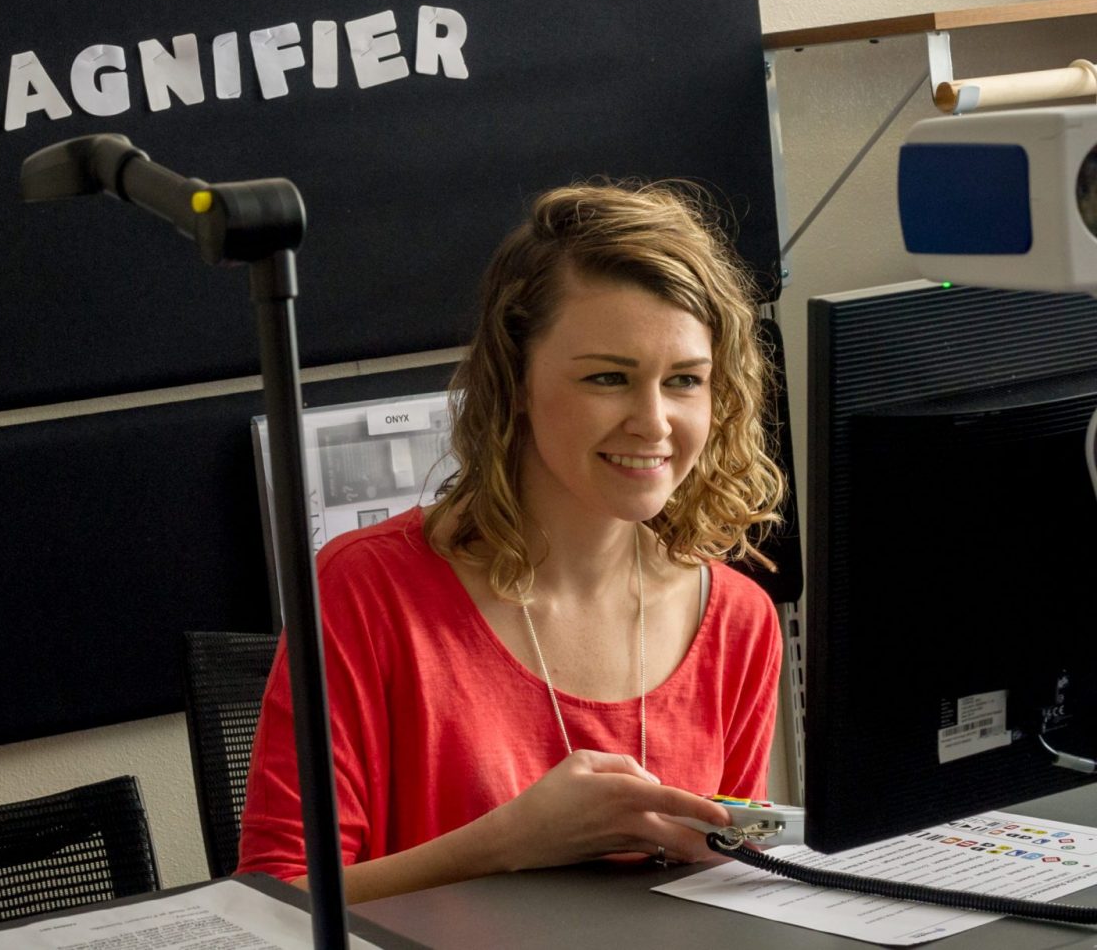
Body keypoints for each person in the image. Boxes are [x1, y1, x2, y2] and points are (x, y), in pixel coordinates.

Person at [236, 181, 787, 901]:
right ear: (515, 380)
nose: (654, 422)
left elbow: (735, 892)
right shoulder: (365, 590)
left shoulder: (740, 624)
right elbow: (269, 903)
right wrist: (510, 843)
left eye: (684, 380)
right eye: (609, 378)